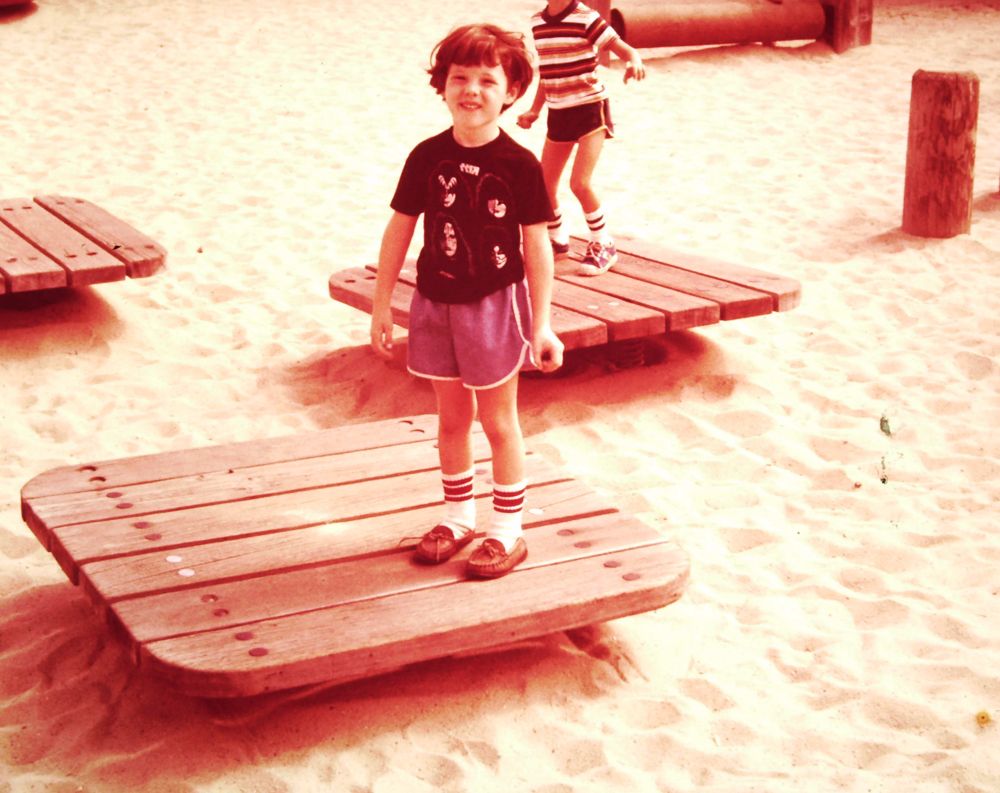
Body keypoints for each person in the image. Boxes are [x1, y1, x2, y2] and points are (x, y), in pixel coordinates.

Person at [370, 23, 564, 579]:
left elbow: (537, 246)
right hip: (436, 301)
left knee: (499, 422)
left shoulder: (520, 165)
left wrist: (542, 324)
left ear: (511, 92)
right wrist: (383, 304)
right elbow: (400, 228)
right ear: (443, 84)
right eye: (459, 78)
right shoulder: (426, 156)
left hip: (494, 306)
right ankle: (458, 518)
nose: (471, 90)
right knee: (451, 419)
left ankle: (508, 530)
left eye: (487, 80)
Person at [517, 0, 646, 276]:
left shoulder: (586, 18)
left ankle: (603, 243)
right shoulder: (538, 23)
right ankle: (557, 239)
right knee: (544, 184)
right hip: (558, 113)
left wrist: (633, 61)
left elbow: (625, 49)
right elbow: (548, 73)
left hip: (589, 110)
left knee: (580, 183)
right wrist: (534, 110)